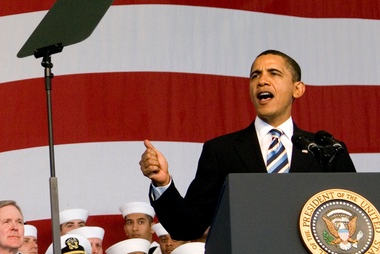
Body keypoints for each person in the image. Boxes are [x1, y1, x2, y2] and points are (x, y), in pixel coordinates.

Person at [141, 50, 357, 240]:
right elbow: (188, 227)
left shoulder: (326, 150)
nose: (262, 81)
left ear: (297, 89)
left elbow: (354, 214)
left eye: (274, 73)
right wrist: (163, 183)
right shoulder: (221, 151)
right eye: (255, 75)